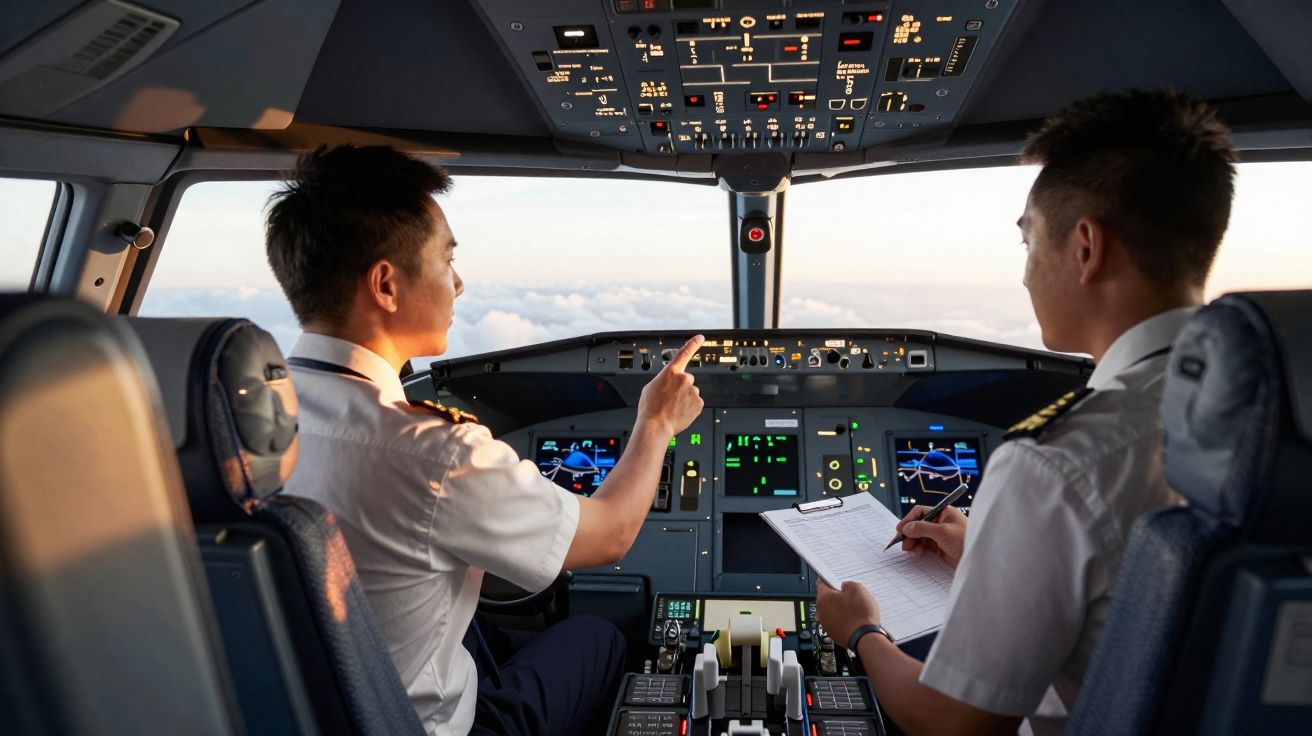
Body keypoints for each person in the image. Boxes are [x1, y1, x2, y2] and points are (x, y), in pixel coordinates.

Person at [815, 89, 1238, 735]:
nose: (1025, 275)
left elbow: (953, 724)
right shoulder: (1267, 414)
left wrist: (862, 630)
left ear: (1087, 247)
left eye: (1030, 242)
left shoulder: (1059, 463)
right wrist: (986, 549)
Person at [265, 145, 706, 736]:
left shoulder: (252, 414)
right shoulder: (434, 452)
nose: (459, 282)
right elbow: (610, 535)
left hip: (307, 706)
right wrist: (655, 423)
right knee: (598, 636)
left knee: (482, 630)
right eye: (447, 260)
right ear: (386, 285)